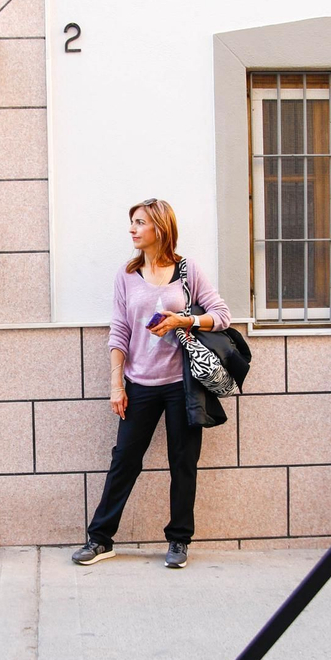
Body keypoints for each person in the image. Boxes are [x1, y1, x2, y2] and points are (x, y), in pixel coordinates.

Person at [72, 198, 230, 570]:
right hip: (139, 383)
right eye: (132, 223)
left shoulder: (188, 272)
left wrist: (183, 321)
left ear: (160, 228)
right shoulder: (126, 275)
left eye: (139, 223)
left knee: (183, 462)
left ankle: (179, 540)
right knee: (124, 460)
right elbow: (119, 332)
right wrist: (117, 385)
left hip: (182, 385)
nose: (132, 229)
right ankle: (100, 539)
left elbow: (221, 315)